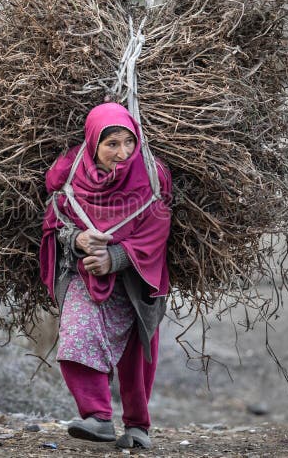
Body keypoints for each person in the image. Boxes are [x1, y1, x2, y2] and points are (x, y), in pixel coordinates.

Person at [40, 102, 172, 449]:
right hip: (84, 275)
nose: (123, 152)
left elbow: (157, 228)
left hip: (136, 280)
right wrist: (77, 238)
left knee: (135, 355)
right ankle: (97, 417)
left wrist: (115, 257)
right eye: (111, 143)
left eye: (129, 142)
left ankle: (137, 426)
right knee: (77, 336)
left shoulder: (150, 176)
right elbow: (55, 220)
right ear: (93, 143)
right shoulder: (69, 175)